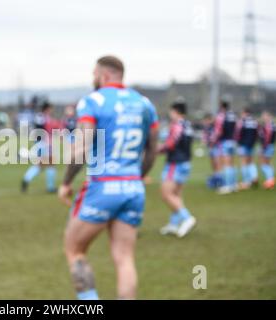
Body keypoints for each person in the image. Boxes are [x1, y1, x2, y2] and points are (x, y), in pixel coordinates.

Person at [58, 56, 159, 300]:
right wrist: (137, 177)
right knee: (124, 259)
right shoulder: (144, 103)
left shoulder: (93, 101)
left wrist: (66, 182)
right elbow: (152, 149)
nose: (93, 78)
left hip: (102, 187)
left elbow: (82, 148)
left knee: (74, 249)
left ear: (104, 75)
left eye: (94, 74)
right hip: (133, 188)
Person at [159, 99, 196, 237]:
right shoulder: (188, 125)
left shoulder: (177, 125)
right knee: (176, 195)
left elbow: (171, 143)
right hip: (186, 163)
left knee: (166, 194)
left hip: (175, 163)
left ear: (175, 111)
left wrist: (157, 150)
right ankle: (174, 224)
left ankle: (187, 218)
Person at [21, 101, 62, 193]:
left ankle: (26, 179)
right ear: (47, 109)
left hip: (40, 143)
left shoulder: (40, 117)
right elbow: (41, 130)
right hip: (43, 144)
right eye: (51, 108)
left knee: (41, 165)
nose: (52, 110)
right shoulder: (43, 117)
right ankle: (50, 187)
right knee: (50, 164)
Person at [210, 100, 237, 194]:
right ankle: (233, 185)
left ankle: (227, 186)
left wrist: (213, 141)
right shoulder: (233, 115)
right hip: (232, 142)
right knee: (231, 164)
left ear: (221, 106)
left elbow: (218, 131)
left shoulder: (221, 116)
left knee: (225, 164)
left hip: (224, 142)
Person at [235, 108, 259, 190]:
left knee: (243, 162)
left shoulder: (242, 121)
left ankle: (246, 182)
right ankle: (254, 178)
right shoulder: (255, 121)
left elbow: (238, 133)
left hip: (243, 144)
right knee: (250, 161)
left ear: (245, 113)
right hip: (251, 145)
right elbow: (257, 133)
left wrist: (238, 143)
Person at [202, 113, 223, 189]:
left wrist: (210, 141)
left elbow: (216, 135)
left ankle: (220, 179)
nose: (205, 122)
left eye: (207, 120)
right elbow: (204, 136)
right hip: (210, 147)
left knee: (217, 163)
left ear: (210, 120)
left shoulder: (214, 126)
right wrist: (205, 141)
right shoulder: (206, 127)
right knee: (213, 163)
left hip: (216, 147)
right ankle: (216, 178)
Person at [258, 110, 275, 190]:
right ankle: (270, 181)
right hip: (270, 146)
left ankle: (270, 181)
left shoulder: (269, 125)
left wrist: (263, 147)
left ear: (268, 116)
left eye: (264, 116)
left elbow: (267, 137)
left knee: (265, 164)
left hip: (267, 146)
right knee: (267, 164)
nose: (263, 117)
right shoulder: (271, 125)